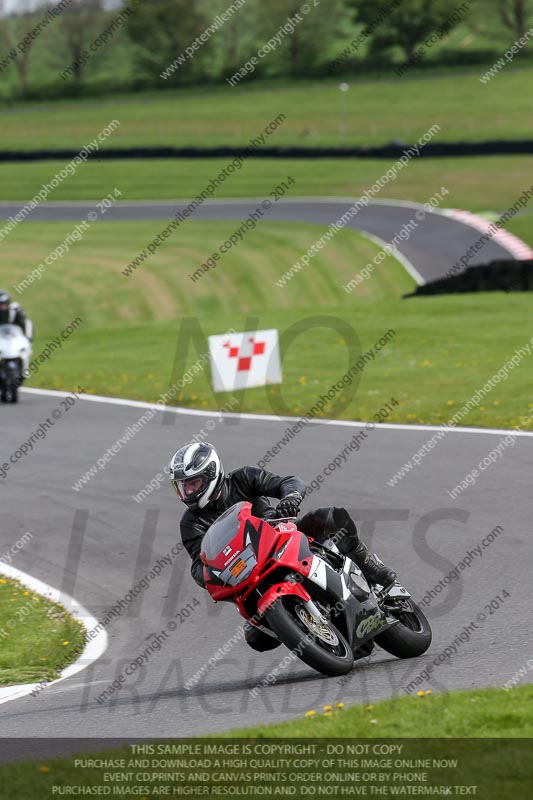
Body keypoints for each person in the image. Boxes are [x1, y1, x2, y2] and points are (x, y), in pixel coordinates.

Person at [170, 441, 396, 652]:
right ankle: (309, 628)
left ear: (212, 474)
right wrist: (209, 576)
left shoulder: (243, 478)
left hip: (282, 537)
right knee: (256, 639)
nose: (188, 492)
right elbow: (198, 563)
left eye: (193, 483)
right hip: (248, 575)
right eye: (183, 486)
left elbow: (289, 482)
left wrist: (290, 498)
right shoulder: (190, 523)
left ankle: (369, 567)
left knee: (331, 517)